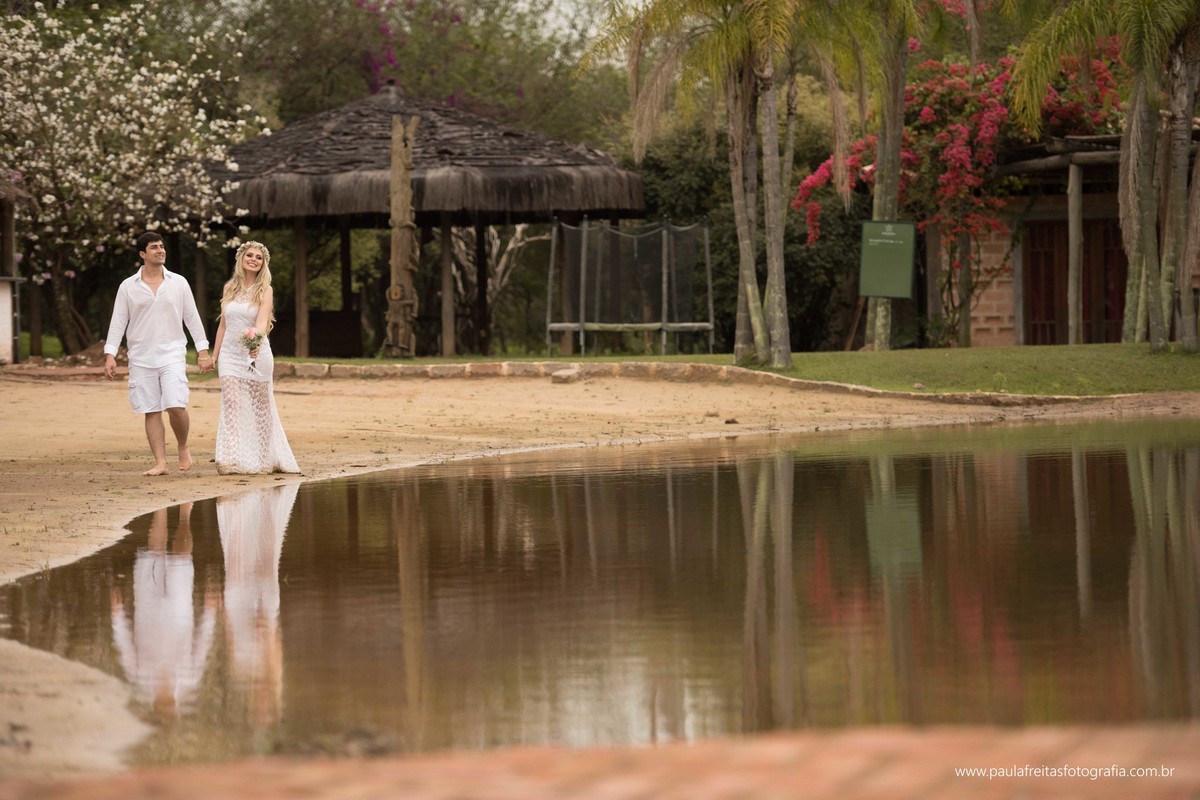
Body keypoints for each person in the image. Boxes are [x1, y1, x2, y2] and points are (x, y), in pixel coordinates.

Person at [104, 231, 212, 476]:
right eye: (154, 247)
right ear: (143, 254)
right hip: (141, 357)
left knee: (176, 405)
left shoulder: (179, 282)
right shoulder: (128, 286)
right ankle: (161, 462)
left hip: (172, 353)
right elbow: (118, 322)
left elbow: (192, 318)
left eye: (162, 246)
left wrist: (203, 350)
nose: (160, 250)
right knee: (151, 409)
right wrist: (110, 354)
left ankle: (182, 446)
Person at [211, 240, 300, 475]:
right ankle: (229, 458)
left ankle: (263, 458)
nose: (253, 259)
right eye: (249, 255)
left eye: (258, 257)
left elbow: (261, 322)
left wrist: (256, 343)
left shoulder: (265, 290)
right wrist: (215, 355)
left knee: (261, 407)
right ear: (241, 259)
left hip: (255, 353)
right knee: (231, 403)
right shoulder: (229, 287)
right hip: (230, 354)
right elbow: (223, 325)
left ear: (263, 263)